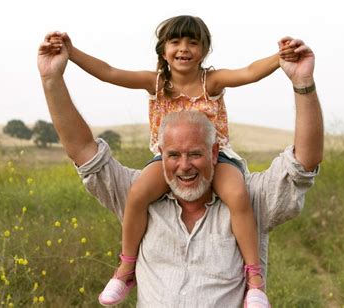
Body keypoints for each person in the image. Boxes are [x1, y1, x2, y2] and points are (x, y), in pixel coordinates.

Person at [38, 33, 323, 307]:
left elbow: (250, 74)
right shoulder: (156, 83)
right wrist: (65, 63)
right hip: (166, 167)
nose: (185, 166)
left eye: (193, 42)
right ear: (163, 50)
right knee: (137, 193)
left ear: (204, 50)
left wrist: (284, 62)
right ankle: (126, 268)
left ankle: (254, 280)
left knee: (238, 195)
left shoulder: (212, 81)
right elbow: (108, 73)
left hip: (224, 160)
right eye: (175, 42)